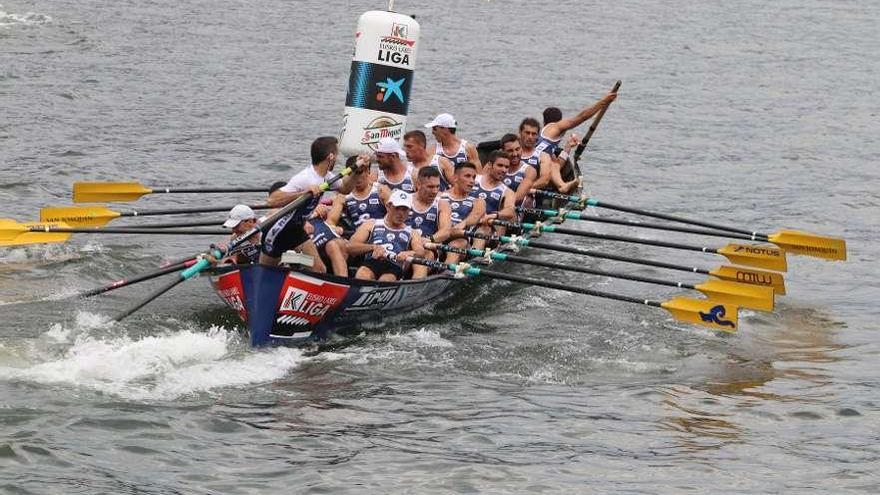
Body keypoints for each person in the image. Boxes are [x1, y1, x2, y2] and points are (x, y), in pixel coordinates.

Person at [260, 136, 366, 268]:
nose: (338, 159)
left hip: (297, 231)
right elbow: (272, 200)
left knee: (319, 269)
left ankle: (293, 262)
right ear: (331, 157)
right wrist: (303, 194)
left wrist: (357, 171)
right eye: (337, 155)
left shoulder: (327, 176)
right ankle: (289, 261)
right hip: (280, 231)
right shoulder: (305, 178)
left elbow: (345, 189)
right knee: (267, 271)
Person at [535, 90, 617, 193]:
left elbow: (557, 167)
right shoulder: (556, 126)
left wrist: (568, 147)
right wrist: (604, 101)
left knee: (554, 164)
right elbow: (581, 117)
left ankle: (562, 185)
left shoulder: (544, 139)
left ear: (544, 121)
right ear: (560, 121)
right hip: (533, 165)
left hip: (537, 165)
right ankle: (561, 185)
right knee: (552, 164)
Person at [349, 190, 425, 281]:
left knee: (386, 280)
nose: (401, 214)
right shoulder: (371, 224)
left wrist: (409, 253)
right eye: (397, 208)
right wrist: (373, 247)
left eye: (404, 210)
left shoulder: (412, 232)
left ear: (409, 211)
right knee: (362, 273)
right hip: (372, 262)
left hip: (394, 267)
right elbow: (350, 247)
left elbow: (420, 252)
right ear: (388, 206)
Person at [407, 166, 452, 279]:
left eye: (437, 186)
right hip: (405, 245)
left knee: (422, 259)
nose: (435, 191)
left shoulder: (442, 204)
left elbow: (446, 231)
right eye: (430, 187)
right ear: (418, 185)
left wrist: (429, 239)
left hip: (428, 247)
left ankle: (414, 287)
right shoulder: (404, 200)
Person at [440, 161, 486, 264]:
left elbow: (475, 216)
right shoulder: (440, 196)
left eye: (473, 177)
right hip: (440, 237)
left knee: (457, 245)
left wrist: (463, 223)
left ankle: (445, 276)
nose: (471, 181)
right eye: (467, 176)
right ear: (455, 177)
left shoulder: (478, 201)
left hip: (460, 239)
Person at [327, 156, 390, 230]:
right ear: (347, 175)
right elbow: (331, 221)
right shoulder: (342, 197)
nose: (357, 177)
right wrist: (335, 228)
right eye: (353, 173)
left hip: (380, 234)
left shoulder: (381, 190)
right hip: (355, 237)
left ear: (368, 171)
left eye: (360, 172)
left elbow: (395, 216)